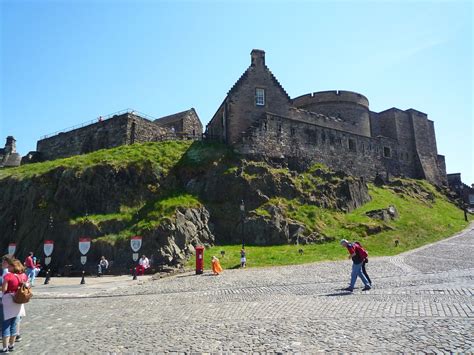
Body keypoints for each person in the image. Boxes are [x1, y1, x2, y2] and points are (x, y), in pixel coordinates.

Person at [2, 258, 27, 353]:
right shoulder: (23, 276)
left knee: (5, 324)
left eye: (9, 266)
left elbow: (4, 289)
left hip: (8, 301)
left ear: (13, 267)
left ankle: (5, 348)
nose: (7, 267)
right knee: (14, 324)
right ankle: (11, 345)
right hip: (18, 300)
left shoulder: (8, 276)